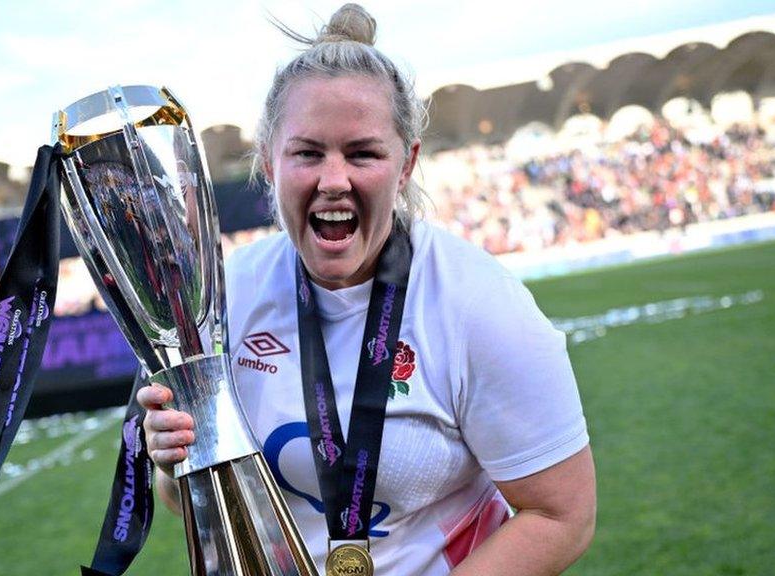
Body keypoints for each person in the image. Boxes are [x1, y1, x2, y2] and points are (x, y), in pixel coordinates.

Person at [138, 4, 596, 575]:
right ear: (268, 162)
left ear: (405, 165)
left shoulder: (478, 305)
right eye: (307, 153)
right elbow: (190, 502)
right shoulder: (222, 302)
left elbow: (562, 516)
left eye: (363, 153)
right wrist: (174, 460)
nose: (334, 180)